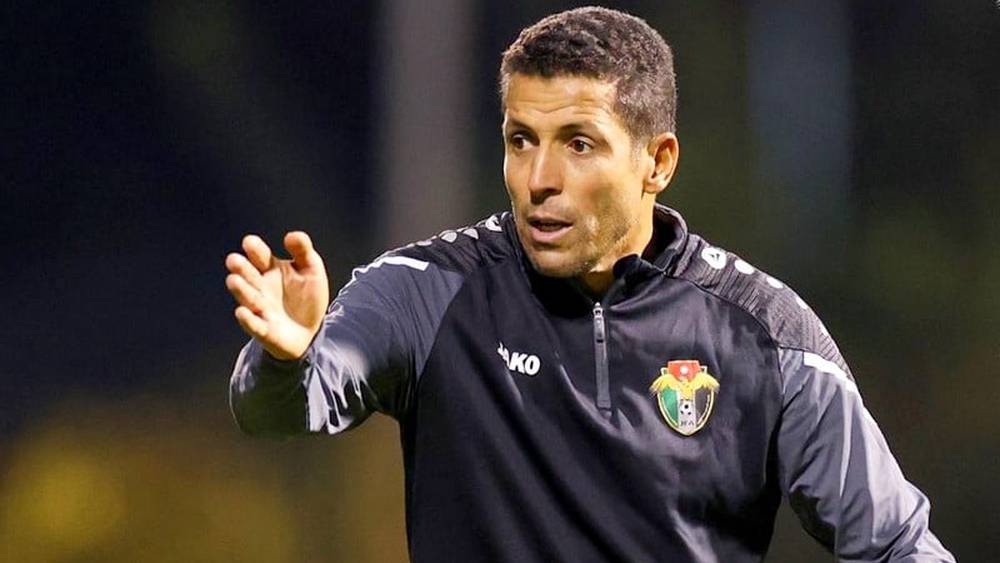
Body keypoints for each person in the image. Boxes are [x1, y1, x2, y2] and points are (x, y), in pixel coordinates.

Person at [225, 7, 953, 562]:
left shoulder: (765, 334)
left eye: (578, 144)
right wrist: (286, 359)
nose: (539, 179)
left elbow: (896, 544)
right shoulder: (425, 291)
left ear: (657, 162)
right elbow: (282, 411)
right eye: (521, 140)